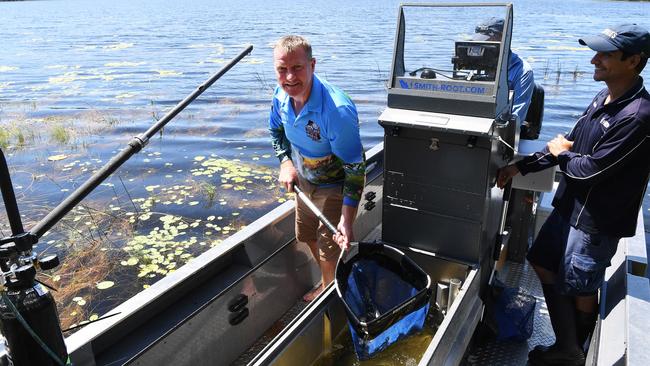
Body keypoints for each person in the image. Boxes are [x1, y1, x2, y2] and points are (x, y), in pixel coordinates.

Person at [497, 24, 650, 365]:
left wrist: (562, 153)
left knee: (579, 287)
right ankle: (569, 346)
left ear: (634, 60)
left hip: (595, 222)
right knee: (541, 260)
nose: (595, 60)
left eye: (606, 55)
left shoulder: (638, 116)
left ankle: (571, 351)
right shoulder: (604, 96)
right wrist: (520, 167)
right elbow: (569, 143)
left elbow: (588, 169)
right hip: (570, 208)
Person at [269, 35, 366, 302]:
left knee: (328, 248)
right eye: (281, 69)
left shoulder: (337, 112)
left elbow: (356, 169)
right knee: (306, 234)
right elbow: (275, 131)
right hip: (304, 179)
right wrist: (286, 163)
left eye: (297, 67)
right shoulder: (279, 97)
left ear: (312, 64)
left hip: (337, 183)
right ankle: (328, 283)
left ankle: (332, 298)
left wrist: (347, 220)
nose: (289, 77)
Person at [473, 17, 535, 126]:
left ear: (503, 38)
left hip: (499, 130)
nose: (482, 45)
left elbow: (516, 117)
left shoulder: (523, 71)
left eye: (487, 40)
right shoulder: (473, 65)